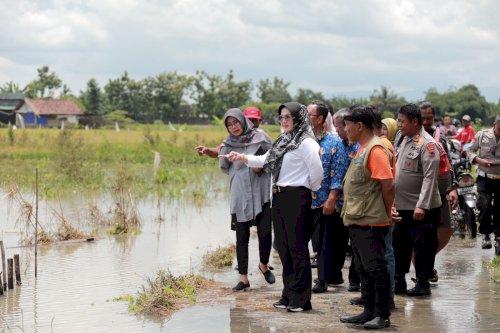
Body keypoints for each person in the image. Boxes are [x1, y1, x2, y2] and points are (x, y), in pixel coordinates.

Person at [225, 102, 323, 312]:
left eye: (288, 117)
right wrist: (242, 156)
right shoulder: (283, 141)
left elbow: (317, 172)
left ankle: (302, 300)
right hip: (278, 197)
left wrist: (307, 189)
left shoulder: (306, 143)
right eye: (281, 118)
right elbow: (264, 159)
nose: (284, 121)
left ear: (299, 118)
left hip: (297, 196)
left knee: (297, 249)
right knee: (285, 249)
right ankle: (288, 295)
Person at [339, 106, 395, 329]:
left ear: (359, 126)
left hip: (371, 220)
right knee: (363, 268)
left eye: (347, 125)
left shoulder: (376, 149)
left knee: (376, 268)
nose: (345, 129)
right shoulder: (363, 147)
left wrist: (387, 210)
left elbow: (388, 184)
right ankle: (368, 311)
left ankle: (382, 315)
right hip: (358, 219)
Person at [218, 108, 275, 291]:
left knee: (265, 232)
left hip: (261, 191)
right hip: (240, 192)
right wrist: (240, 172)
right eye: (229, 124)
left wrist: (261, 167)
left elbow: (274, 159)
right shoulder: (228, 143)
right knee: (241, 236)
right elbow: (224, 166)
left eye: (236, 122)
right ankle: (243, 278)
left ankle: (264, 265)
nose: (233, 127)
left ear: (243, 121)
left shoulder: (262, 137)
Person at [393, 103, 441, 297]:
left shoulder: (428, 144)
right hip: (402, 206)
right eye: (398, 120)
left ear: (414, 121)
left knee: (424, 246)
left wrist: (421, 205)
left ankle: (423, 283)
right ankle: (398, 281)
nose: (399, 124)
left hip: (422, 208)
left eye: (402, 121)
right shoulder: (402, 138)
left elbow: (430, 177)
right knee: (400, 245)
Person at [308, 104, 357, 294]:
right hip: (308, 200)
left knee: (326, 241)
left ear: (320, 119)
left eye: (309, 115)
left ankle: (323, 279)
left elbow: (338, 173)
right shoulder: (307, 141)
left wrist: (332, 198)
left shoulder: (333, 142)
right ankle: (330, 274)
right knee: (317, 241)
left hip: (327, 200)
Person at [419, 102, 459, 282]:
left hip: (438, 190)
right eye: (423, 118)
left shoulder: (439, 136)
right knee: (420, 233)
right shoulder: (406, 136)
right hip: (415, 192)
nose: (426, 121)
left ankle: (426, 264)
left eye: (429, 118)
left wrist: (453, 188)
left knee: (445, 228)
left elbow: (448, 163)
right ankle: (424, 270)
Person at [466, 115, 500, 255]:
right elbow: (469, 150)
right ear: (494, 124)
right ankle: (486, 234)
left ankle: (498, 237)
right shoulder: (482, 135)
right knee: (484, 205)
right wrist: (479, 161)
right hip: (484, 177)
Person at [195, 106, 265, 157]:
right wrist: (207, 150)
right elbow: (219, 151)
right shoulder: (232, 139)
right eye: (249, 120)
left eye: (254, 120)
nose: (251, 123)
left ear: (260, 121)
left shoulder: (262, 137)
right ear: (243, 120)